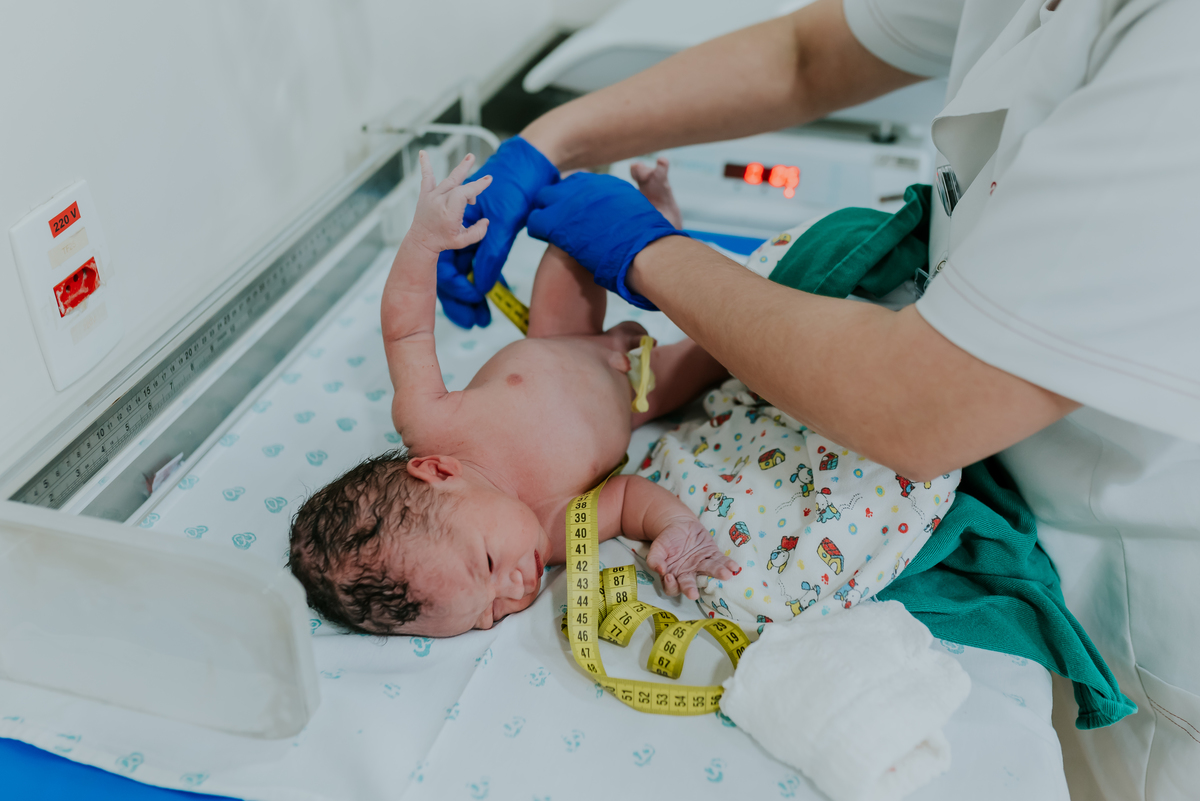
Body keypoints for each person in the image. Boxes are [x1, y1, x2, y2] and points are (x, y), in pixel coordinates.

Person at [435, 1, 1200, 798]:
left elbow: (918, 402)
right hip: (1006, 468)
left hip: (1144, 581)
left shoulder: (1180, 55)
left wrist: (651, 250)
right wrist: (549, 141)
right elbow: (808, 53)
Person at [287, 151, 738, 637]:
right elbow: (629, 499)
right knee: (729, 342)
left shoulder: (432, 422)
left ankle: (654, 212)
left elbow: (406, 333)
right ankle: (706, 260)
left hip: (560, 332)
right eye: (487, 616)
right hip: (638, 394)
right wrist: (674, 527)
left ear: (437, 471)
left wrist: (423, 243)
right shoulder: (553, 531)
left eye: (486, 564)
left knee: (585, 234)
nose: (516, 586)